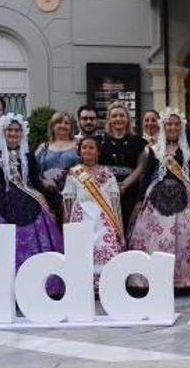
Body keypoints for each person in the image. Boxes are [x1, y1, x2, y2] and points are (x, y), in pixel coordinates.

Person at [129, 107, 190, 290]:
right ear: (163, 126)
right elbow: (146, 176)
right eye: (169, 124)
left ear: (181, 127)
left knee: (188, 237)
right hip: (156, 198)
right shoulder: (154, 149)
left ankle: (188, 279)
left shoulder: (186, 149)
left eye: (176, 124)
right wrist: (139, 201)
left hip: (186, 197)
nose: (172, 127)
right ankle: (155, 278)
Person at [0, 113, 64, 297]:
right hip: (1, 203)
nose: (14, 133)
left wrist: (50, 204)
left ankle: (34, 287)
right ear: (3, 132)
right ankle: (4, 290)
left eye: (17, 130)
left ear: (22, 134)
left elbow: (35, 182)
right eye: (10, 130)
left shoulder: (28, 156)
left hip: (29, 201)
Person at [62, 136, 125, 286]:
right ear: (79, 151)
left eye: (91, 148)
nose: (88, 150)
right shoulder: (74, 173)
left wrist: (119, 229)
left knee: (106, 250)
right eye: (84, 147)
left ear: (98, 152)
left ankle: (105, 285)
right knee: (82, 253)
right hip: (81, 219)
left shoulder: (108, 174)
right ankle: (84, 286)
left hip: (104, 221)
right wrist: (66, 227)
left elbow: (116, 204)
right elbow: (68, 202)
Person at [98, 101, 147, 230]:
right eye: (114, 116)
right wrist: (112, 185)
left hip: (131, 191)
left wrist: (124, 185)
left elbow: (141, 167)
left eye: (121, 115)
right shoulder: (100, 141)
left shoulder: (139, 142)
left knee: (128, 226)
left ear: (127, 119)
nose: (118, 119)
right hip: (106, 191)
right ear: (109, 119)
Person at [35, 111, 80, 192]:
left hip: (73, 192)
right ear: (52, 126)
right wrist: (42, 182)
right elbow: (33, 171)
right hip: (48, 194)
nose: (63, 125)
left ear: (71, 127)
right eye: (59, 122)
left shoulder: (79, 145)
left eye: (66, 123)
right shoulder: (43, 148)